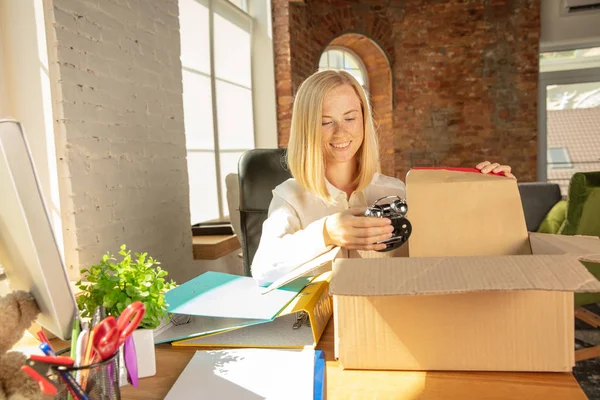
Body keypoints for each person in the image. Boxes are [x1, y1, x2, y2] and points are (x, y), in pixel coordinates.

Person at [250, 70, 515, 286]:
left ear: (364, 120)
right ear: (307, 129)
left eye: (350, 118)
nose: (341, 133)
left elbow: (455, 241)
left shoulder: (395, 190)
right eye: (325, 122)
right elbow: (262, 271)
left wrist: (490, 192)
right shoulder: (290, 197)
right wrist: (326, 232)